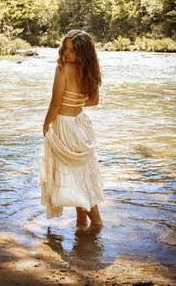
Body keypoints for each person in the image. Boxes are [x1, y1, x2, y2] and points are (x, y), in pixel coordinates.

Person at [39, 29, 104, 229]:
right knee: (80, 177)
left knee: (78, 180)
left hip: (65, 125)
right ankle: (81, 225)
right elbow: (94, 102)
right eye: (65, 49)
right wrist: (76, 101)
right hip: (80, 124)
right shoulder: (89, 70)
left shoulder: (62, 69)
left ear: (82, 53)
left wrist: (45, 124)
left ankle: (97, 223)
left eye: (72, 51)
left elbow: (55, 103)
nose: (67, 54)